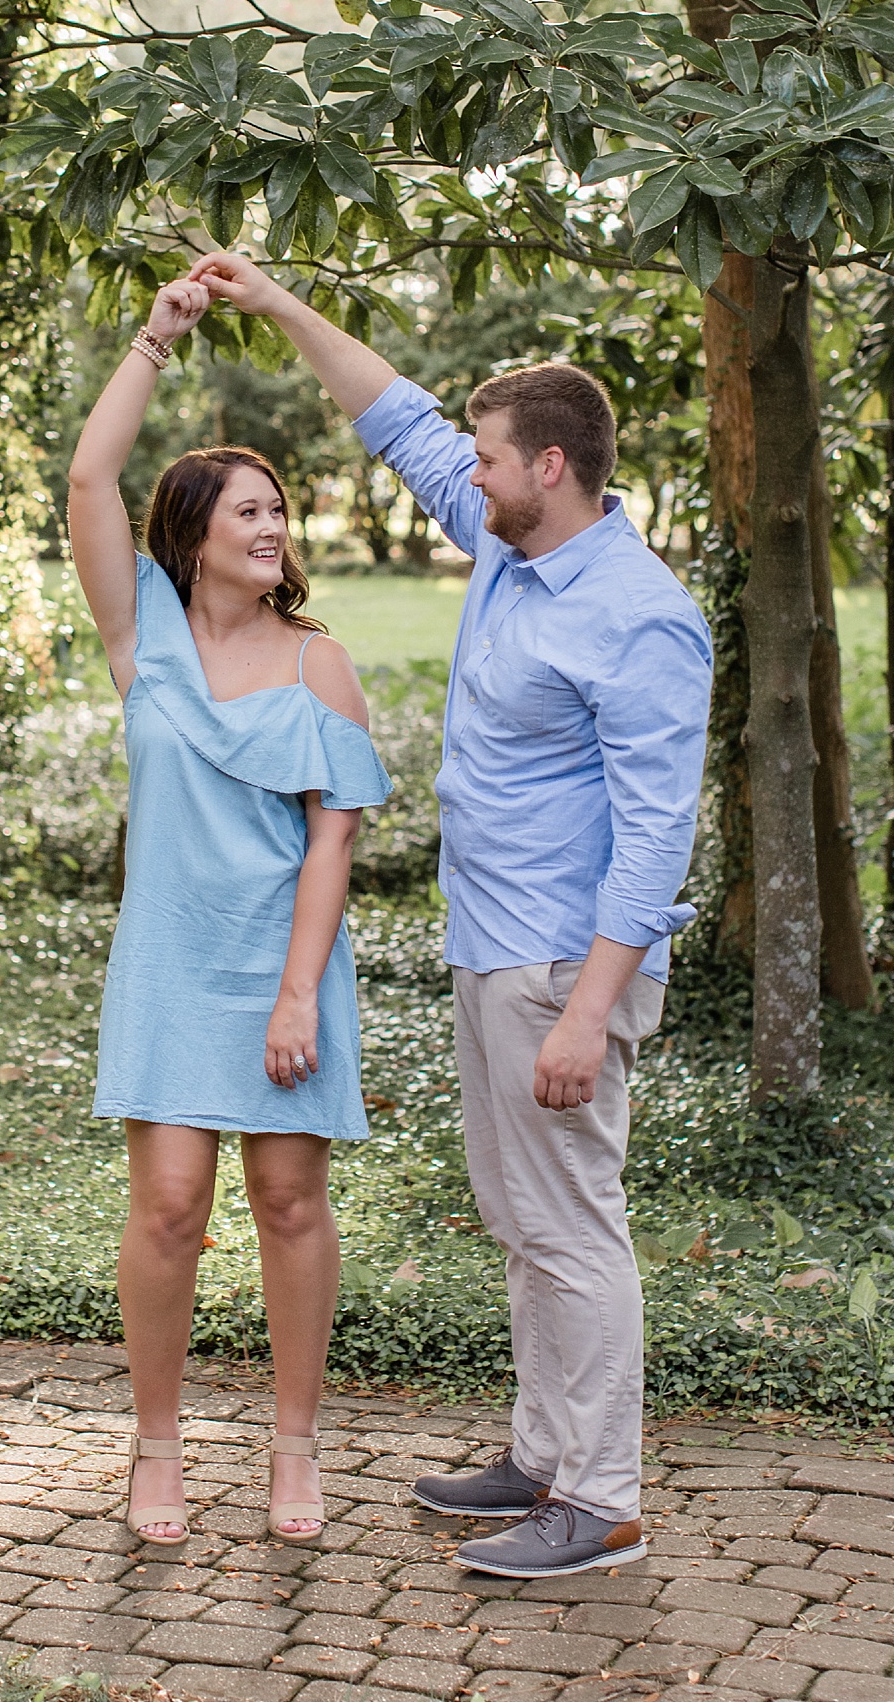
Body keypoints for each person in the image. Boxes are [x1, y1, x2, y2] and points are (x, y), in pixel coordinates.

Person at [189, 249, 713, 1581]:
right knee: (519, 1215)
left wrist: (590, 1012)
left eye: (486, 461)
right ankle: (543, 1458)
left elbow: (656, 833)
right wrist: (277, 303)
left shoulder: (641, 617)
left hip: (563, 961)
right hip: (493, 944)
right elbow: (396, 414)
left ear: (549, 467)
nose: (462, 478)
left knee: (570, 1218)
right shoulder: (505, 541)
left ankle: (601, 1502)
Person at [67, 276, 392, 1551]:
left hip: (285, 959)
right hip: (170, 962)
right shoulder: (139, 634)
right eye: (250, 509)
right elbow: (92, 482)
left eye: (279, 509)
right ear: (194, 531)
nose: (274, 526)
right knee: (167, 1205)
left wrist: (300, 990)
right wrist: (157, 334)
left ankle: (293, 1449)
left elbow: (333, 837)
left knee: (291, 1199)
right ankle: (156, 1451)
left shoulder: (321, 662)